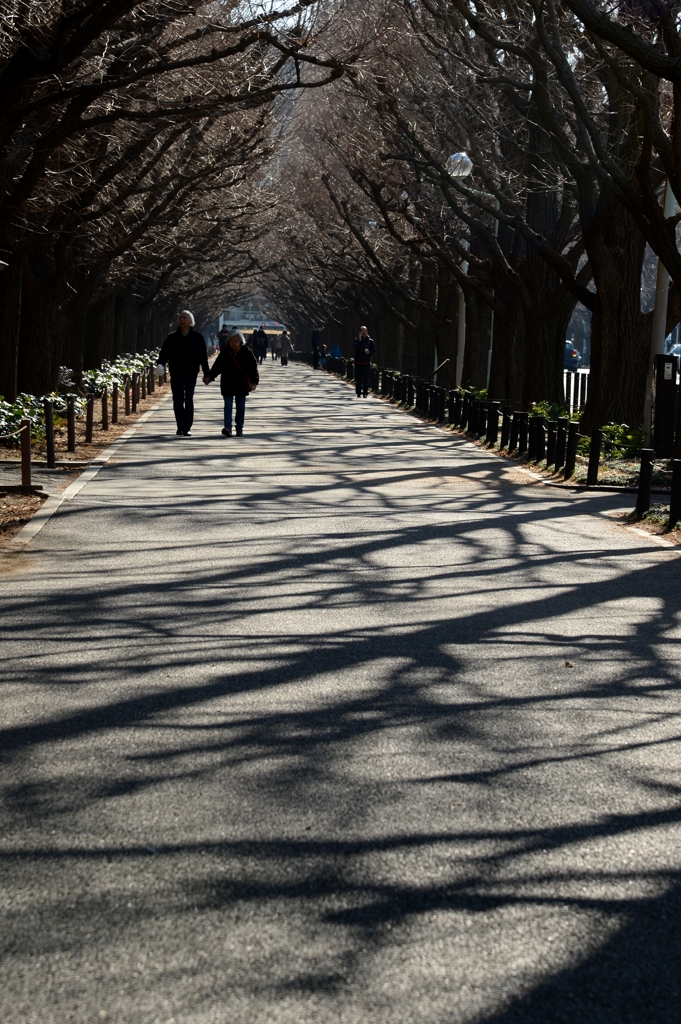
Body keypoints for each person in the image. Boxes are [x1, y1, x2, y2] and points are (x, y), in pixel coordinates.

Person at [158, 310, 209, 435]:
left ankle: (187, 427)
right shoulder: (172, 337)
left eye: (185, 318)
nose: (182, 320)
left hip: (191, 372)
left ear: (190, 321)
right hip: (176, 371)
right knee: (177, 399)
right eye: (180, 317)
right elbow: (165, 352)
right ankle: (180, 426)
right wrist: (160, 363)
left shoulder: (197, 337)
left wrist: (207, 374)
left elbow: (203, 356)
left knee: (189, 398)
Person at [204, 329, 259, 436]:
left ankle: (239, 427)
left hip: (241, 385)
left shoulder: (247, 353)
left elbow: (253, 368)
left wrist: (254, 381)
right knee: (228, 406)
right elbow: (217, 367)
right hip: (227, 383)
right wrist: (210, 377)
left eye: (236, 341)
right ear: (228, 341)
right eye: (232, 341)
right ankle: (227, 427)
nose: (234, 343)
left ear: (240, 342)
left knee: (240, 407)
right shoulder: (225, 353)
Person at [352, 325, 375, 398]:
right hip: (358, 362)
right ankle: (358, 392)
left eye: (365, 331)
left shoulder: (370, 341)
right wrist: (359, 340)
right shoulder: (356, 340)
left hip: (366, 362)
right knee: (358, 378)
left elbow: (374, 351)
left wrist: (369, 352)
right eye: (362, 331)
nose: (364, 333)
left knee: (366, 379)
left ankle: (365, 392)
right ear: (360, 332)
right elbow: (355, 348)